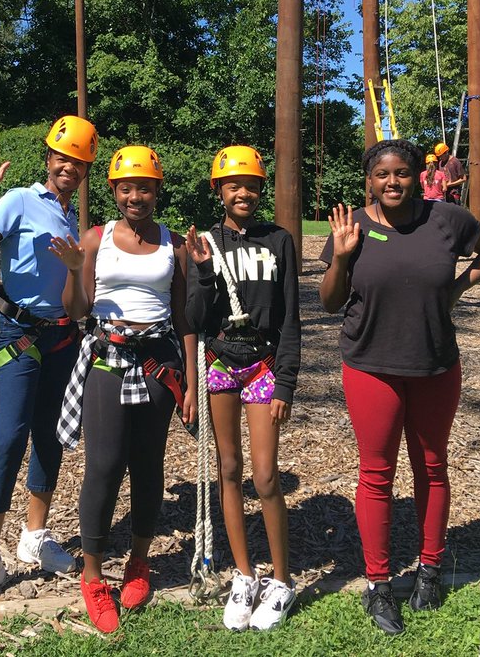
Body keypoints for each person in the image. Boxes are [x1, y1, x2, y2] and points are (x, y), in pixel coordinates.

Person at [319, 139, 480, 636]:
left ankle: (429, 568)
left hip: (435, 366)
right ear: (369, 180)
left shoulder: (447, 218)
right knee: (376, 474)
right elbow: (329, 302)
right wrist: (340, 258)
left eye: (401, 173)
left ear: (415, 175)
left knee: (432, 467)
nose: (393, 182)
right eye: (382, 175)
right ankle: (378, 583)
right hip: (370, 368)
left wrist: (462, 285)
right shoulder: (351, 226)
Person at [0, 115, 99, 612]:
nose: (69, 168)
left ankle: (34, 535)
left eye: (78, 164)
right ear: (48, 158)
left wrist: (78, 274)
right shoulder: (18, 199)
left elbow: (75, 303)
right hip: (15, 332)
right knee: (9, 437)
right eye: (63, 158)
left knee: (51, 435)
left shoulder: (67, 218)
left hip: (60, 336)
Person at [49, 146, 196, 633]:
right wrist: (73, 269)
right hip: (108, 358)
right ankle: (92, 575)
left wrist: (191, 382)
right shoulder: (95, 239)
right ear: (113, 192)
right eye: (127, 188)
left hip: (157, 360)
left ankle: (138, 560)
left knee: (148, 463)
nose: (137, 196)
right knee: (105, 465)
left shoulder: (173, 244)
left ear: (157, 191)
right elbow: (76, 312)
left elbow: (183, 317)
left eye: (145, 187)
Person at [185, 146, 301, 632]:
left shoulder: (280, 241)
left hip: (263, 364)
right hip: (219, 362)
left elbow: (292, 316)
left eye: (252, 185)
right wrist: (204, 271)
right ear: (218, 190)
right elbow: (193, 318)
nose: (244, 193)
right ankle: (244, 575)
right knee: (228, 469)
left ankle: (282, 579)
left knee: (266, 476)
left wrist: (287, 385)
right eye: (233, 185)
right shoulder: (206, 243)